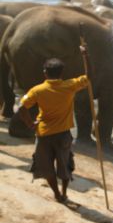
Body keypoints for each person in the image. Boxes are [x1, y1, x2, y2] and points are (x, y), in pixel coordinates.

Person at [18, 55, 89, 203]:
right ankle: (64, 193)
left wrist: (30, 124)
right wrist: (85, 55)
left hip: (44, 135)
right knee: (65, 167)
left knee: (46, 167)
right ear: (61, 73)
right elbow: (89, 76)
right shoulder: (70, 86)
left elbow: (21, 108)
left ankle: (56, 194)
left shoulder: (37, 90)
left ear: (45, 72)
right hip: (63, 135)